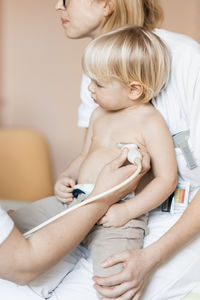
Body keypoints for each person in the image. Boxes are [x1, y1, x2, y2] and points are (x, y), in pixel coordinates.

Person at [53, 0, 200, 299]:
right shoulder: (99, 69)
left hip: (179, 216)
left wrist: (151, 257)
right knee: (20, 275)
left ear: (106, 4)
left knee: (98, 287)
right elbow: (92, 154)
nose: (58, 6)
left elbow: (172, 179)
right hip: (105, 207)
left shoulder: (186, 58)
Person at [0, 148, 149, 300]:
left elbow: (167, 179)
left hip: (118, 208)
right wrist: (67, 176)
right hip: (82, 200)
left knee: (116, 284)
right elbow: (87, 153)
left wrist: (127, 210)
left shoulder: (149, 125)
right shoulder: (99, 123)